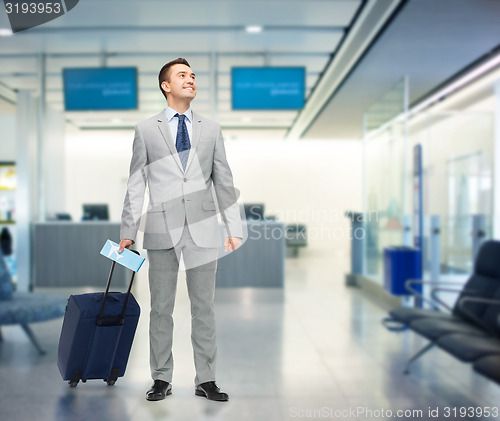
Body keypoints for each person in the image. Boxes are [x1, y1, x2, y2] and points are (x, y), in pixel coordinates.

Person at [118, 58, 243, 402]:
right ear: (165, 85)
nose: (190, 80)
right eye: (182, 76)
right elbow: (135, 183)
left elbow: (224, 180)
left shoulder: (211, 129)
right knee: (161, 308)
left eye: (193, 75)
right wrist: (127, 229)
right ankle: (161, 378)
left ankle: (206, 379)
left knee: (204, 308)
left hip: (203, 228)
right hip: (160, 228)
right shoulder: (146, 129)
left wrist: (234, 226)